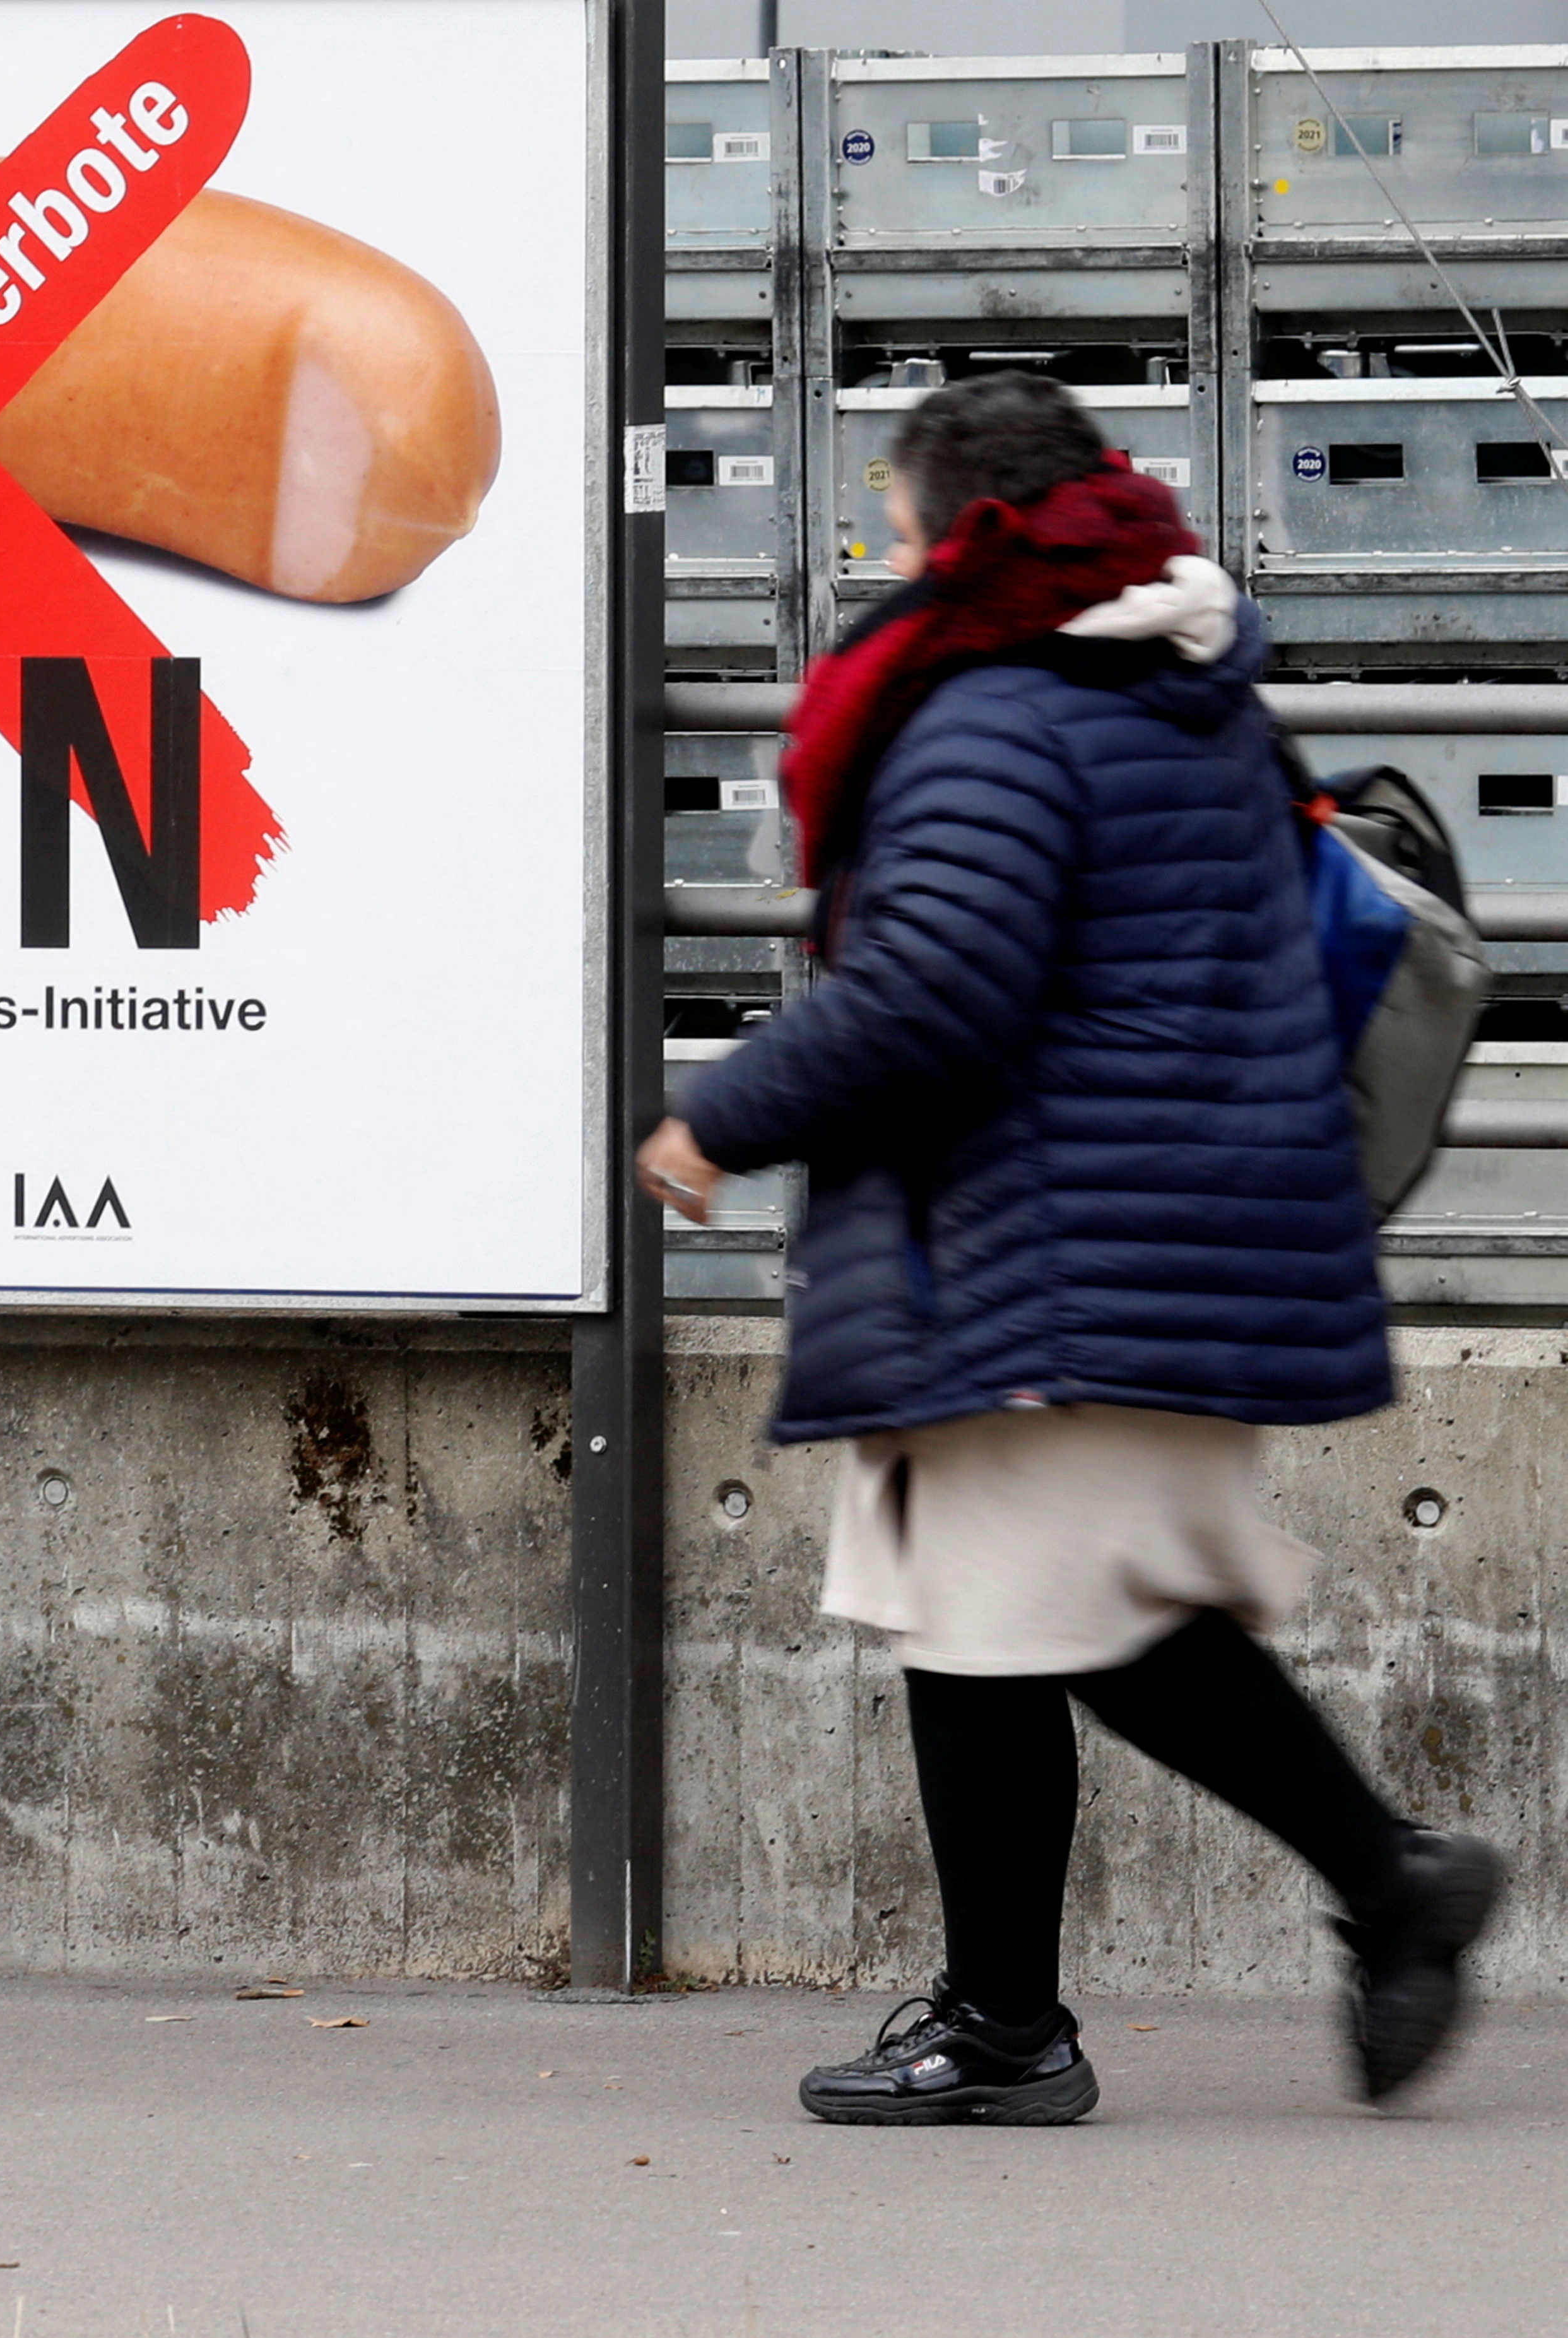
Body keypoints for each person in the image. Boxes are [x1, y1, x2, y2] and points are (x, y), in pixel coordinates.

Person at [637, 370, 1500, 2127]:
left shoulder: (996, 710)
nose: (881, 555)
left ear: (959, 528)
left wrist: (717, 1113)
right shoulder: (1190, 698)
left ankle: (1049, 2012)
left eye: (892, 521)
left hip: (1049, 1241)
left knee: (1010, 1625)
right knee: (1064, 1622)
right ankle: (1245, 1930)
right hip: (1168, 1228)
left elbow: (938, 985)